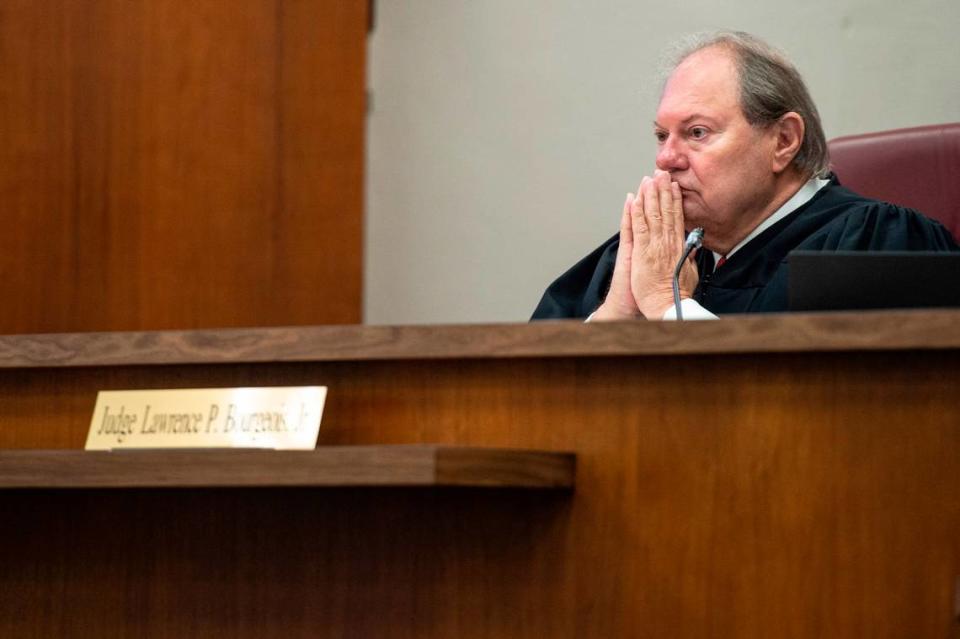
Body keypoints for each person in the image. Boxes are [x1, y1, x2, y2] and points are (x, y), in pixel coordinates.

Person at [531, 31, 958, 321]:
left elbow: (815, 417)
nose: (666, 158)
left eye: (697, 133)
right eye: (662, 135)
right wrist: (616, 316)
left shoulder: (872, 243)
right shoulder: (643, 256)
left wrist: (667, 304)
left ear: (783, 140)